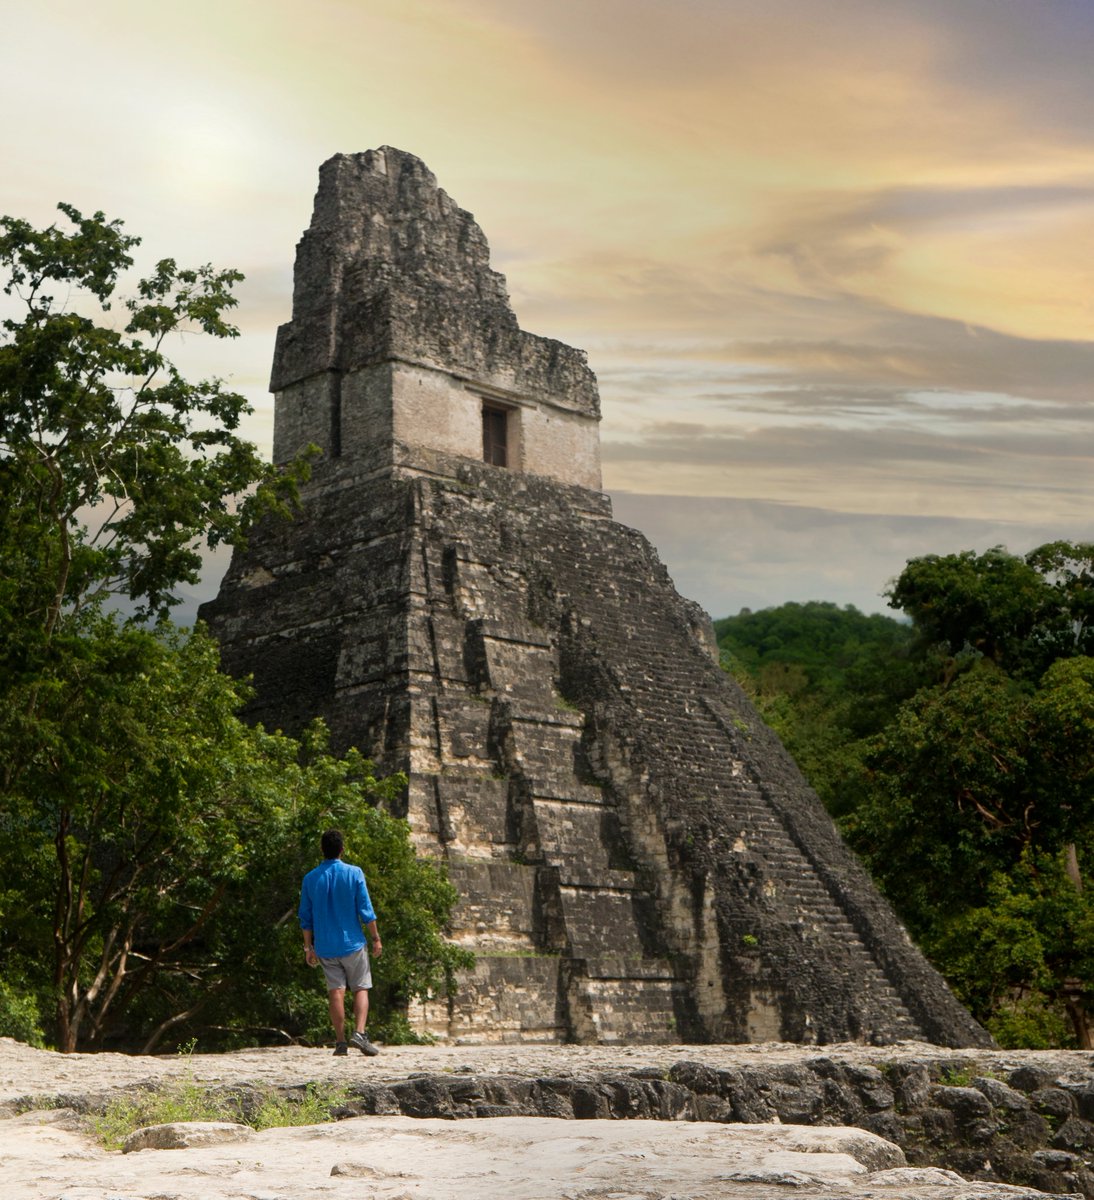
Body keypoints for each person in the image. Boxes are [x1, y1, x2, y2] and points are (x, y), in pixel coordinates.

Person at [298, 828, 383, 1056]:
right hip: (353, 942)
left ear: (322, 850)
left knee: (336, 992)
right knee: (361, 987)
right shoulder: (354, 873)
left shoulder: (310, 878)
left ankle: (340, 1042)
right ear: (342, 850)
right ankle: (360, 1033)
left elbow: (305, 918)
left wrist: (308, 947)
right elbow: (366, 910)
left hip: (325, 945)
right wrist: (376, 938)